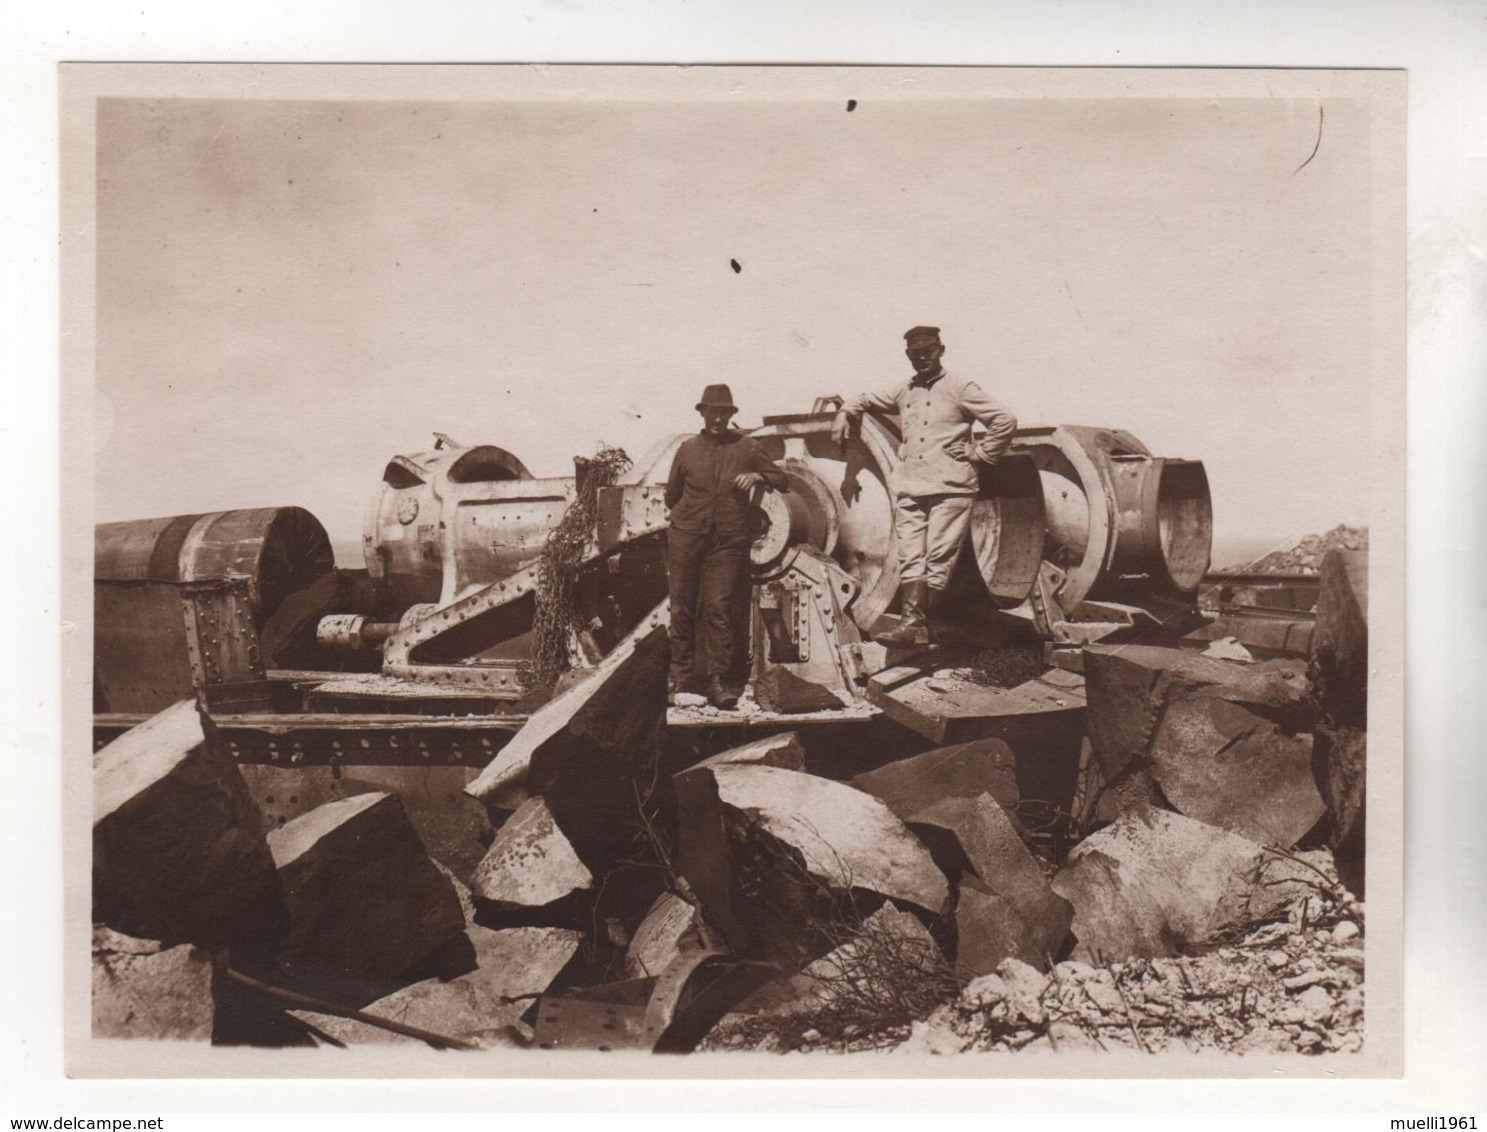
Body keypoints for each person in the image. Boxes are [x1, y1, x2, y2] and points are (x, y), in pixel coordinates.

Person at [830, 326, 1017, 647]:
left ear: (941, 350)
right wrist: (845, 412)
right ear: (908, 356)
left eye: (928, 351)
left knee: (940, 555)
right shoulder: (904, 390)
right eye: (916, 354)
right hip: (911, 487)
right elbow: (864, 397)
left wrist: (980, 453)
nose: (922, 358)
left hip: (952, 486)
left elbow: (1005, 419)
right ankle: (916, 624)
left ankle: (918, 623)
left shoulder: (960, 387)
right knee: (910, 555)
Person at [665, 384, 788, 708]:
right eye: (712, 412)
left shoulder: (747, 447)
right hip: (687, 537)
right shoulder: (687, 449)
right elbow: (672, 494)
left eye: (723, 412)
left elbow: (780, 479)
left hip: (727, 541)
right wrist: (691, 517)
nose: (717, 418)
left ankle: (718, 683)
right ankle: (679, 680)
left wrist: (757, 477)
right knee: (682, 607)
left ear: (731, 415)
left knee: (719, 607)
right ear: (702, 413)